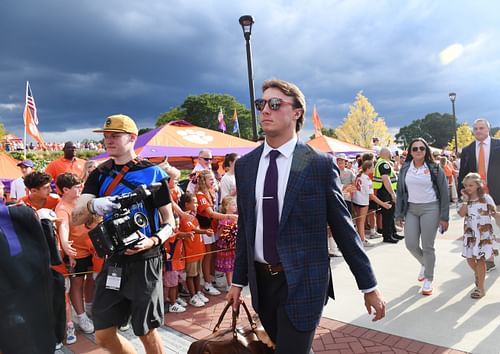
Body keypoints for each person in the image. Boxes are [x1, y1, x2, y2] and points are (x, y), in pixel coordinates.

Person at [226, 79, 385, 354]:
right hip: (262, 285)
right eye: (261, 104)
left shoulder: (315, 163)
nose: (265, 110)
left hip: (303, 283)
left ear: (297, 112)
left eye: (275, 104)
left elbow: (344, 229)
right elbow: (246, 229)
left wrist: (368, 284)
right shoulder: (246, 166)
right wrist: (238, 281)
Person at [71, 114, 175, 354]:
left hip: (146, 259)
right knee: (103, 334)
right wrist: (93, 206)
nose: (109, 140)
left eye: (115, 135)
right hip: (114, 260)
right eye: (106, 136)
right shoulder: (99, 174)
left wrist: (153, 240)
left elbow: (170, 221)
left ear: (132, 138)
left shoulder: (153, 173)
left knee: (145, 330)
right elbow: (76, 217)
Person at [395, 138, 450, 296]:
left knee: (428, 246)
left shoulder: (435, 168)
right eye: (415, 149)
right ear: (410, 152)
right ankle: (425, 264)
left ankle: (428, 279)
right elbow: (400, 193)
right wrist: (398, 214)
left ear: (426, 151)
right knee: (410, 244)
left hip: (431, 208)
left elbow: (445, 193)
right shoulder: (405, 169)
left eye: (422, 148)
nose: (418, 151)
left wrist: (444, 217)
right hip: (411, 209)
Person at [55, 173, 95, 333]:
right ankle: (81, 315)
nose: (81, 188)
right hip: (77, 252)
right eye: (77, 187)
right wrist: (65, 243)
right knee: (77, 284)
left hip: (93, 249)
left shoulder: (81, 201)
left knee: (91, 278)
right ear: (65, 189)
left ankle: (89, 306)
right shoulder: (62, 208)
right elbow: (63, 226)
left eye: (81, 185)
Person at [458, 118, 500, 272]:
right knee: (481, 229)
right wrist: (463, 194)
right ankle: (488, 259)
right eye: (475, 128)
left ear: (488, 129)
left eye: (481, 128)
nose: (478, 131)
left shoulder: (498, 145)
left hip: (497, 195)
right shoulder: (467, 150)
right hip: (476, 198)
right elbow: (462, 174)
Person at [194, 169, 238, 296]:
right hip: (205, 228)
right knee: (207, 256)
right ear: (203, 181)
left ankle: (211, 279)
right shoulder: (201, 195)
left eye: (214, 179)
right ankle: (207, 283)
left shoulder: (210, 192)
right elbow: (210, 213)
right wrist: (228, 217)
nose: (213, 181)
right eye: (211, 179)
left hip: (211, 229)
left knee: (212, 254)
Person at [458, 172, 498, 299]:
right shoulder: (466, 200)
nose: (468, 188)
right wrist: (465, 200)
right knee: (470, 259)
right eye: (466, 185)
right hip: (470, 235)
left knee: (480, 259)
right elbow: (461, 214)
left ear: (478, 185)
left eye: (471, 185)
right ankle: (478, 274)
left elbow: (494, 213)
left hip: (483, 235)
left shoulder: (486, 198)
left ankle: (480, 288)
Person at [178, 192, 212, 307]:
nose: (197, 204)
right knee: (191, 275)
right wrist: (205, 231)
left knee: (198, 274)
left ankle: (197, 292)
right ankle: (192, 296)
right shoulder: (183, 218)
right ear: (186, 204)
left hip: (198, 250)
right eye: (194, 202)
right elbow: (192, 231)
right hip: (190, 252)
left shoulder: (193, 216)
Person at [352, 160, 391, 247]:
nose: (374, 168)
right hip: (362, 201)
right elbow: (372, 196)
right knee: (361, 221)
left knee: (359, 221)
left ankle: (360, 238)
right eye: (372, 167)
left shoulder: (359, 175)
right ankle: (362, 240)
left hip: (356, 200)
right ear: (368, 168)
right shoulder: (367, 179)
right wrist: (383, 204)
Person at [373, 147, 401, 243]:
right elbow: (386, 179)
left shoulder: (381, 163)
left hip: (384, 191)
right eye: (390, 153)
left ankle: (393, 233)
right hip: (386, 192)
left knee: (390, 214)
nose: (391, 155)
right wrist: (392, 194)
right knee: (388, 215)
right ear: (386, 154)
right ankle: (387, 236)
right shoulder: (384, 164)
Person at [215, 196, 238, 290]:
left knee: (233, 264)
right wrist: (223, 226)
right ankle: (229, 284)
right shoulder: (223, 219)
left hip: (234, 245)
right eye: (233, 204)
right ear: (226, 207)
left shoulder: (236, 218)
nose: (235, 206)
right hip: (226, 246)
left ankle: (234, 282)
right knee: (228, 266)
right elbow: (219, 234)